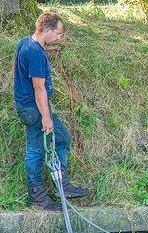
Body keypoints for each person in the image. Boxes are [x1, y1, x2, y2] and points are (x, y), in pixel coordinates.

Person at [13, 12, 90, 210]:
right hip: (34, 109)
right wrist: (46, 117)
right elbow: (38, 87)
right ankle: (42, 196)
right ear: (46, 30)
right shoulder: (36, 53)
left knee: (60, 139)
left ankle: (60, 186)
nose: (59, 38)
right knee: (37, 149)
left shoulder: (25, 43)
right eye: (58, 33)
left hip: (26, 106)